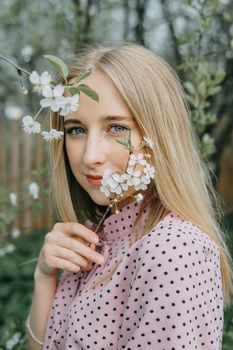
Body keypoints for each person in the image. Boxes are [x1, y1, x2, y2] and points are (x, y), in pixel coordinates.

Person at [26, 42, 233, 350]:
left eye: (117, 128)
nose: (90, 156)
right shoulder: (95, 239)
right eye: (76, 130)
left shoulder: (173, 252)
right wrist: (45, 277)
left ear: (159, 135)